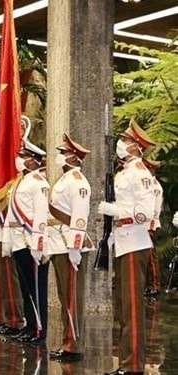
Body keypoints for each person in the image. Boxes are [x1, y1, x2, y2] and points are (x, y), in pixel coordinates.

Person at [99, 120, 156, 375]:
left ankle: (133, 366)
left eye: (125, 140)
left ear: (135, 147)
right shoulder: (124, 173)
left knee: (132, 308)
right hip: (123, 242)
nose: (121, 144)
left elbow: (145, 213)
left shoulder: (140, 174)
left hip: (135, 243)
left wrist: (116, 212)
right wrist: (111, 232)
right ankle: (125, 363)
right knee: (123, 307)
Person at [46, 134, 92, 362]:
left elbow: (80, 216)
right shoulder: (65, 179)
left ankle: (74, 345)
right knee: (65, 296)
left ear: (73, 157)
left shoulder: (78, 181)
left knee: (73, 297)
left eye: (63, 153)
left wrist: (75, 246)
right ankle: (67, 341)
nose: (59, 156)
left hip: (69, 245)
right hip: (58, 243)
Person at [5, 138, 49, 344]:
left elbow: (41, 215)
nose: (19, 160)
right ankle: (30, 325)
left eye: (23, 157)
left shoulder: (39, 183)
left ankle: (39, 329)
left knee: (36, 288)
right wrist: (7, 240)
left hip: (30, 239)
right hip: (18, 240)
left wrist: (38, 243)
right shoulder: (20, 181)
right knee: (25, 287)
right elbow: (11, 214)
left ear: (34, 161)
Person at [143, 157, 163, 297]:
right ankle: (149, 285)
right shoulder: (147, 184)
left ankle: (154, 285)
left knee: (151, 256)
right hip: (143, 225)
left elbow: (155, 209)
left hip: (151, 225)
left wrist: (150, 227)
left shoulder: (155, 187)